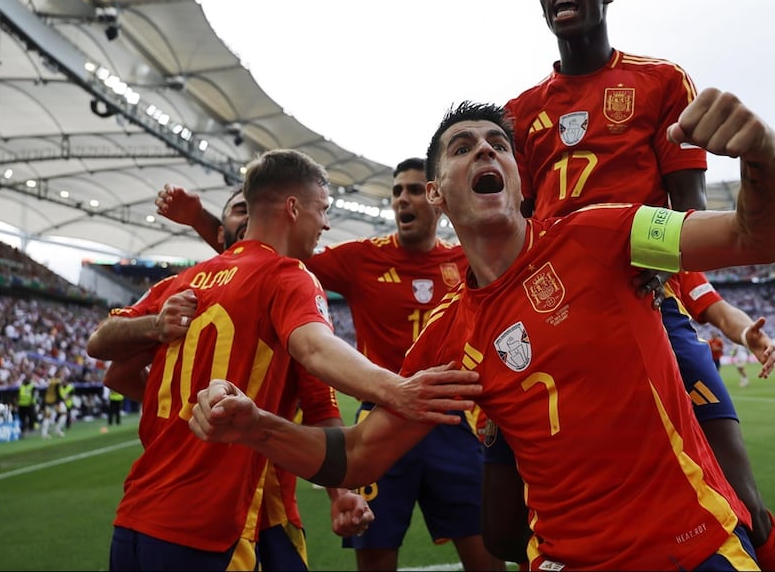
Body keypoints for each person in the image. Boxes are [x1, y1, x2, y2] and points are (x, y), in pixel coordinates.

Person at [189, 94, 775, 571]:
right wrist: (256, 427)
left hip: (692, 551)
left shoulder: (608, 233)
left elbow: (760, 236)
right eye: (462, 147)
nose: (484, 152)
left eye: (497, 145)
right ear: (436, 192)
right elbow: (359, 456)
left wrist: (763, 153)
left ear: (517, 174)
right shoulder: (446, 337)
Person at [499, 0, 775, 569]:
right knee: (524, 519)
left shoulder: (662, 81)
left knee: (742, 494)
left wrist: (670, 279)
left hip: (647, 302)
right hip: (552, 318)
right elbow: (516, 228)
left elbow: (691, 212)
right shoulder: (518, 113)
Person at [86, 148, 481, 571]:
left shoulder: (184, 282)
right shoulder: (287, 275)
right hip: (216, 521)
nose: (326, 222)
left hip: (138, 514)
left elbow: (112, 362)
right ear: (293, 208)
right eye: (322, 209)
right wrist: (396, 389)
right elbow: (313, 349)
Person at [97, 187, 375, 571]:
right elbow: (113, 365)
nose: (249, 219)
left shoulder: (273, 288)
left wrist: (339, 493)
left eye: (253, 209)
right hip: (205, 511)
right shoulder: (184, 288)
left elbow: (319, 405)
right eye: (239, 210)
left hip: (266, 508)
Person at [39, 369, 67, 439]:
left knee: (47, 417)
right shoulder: (57, 382)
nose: (62, 375)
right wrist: (62, 399)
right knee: (64, 413)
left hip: (48, 402)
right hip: (55, 402)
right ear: (57, 374)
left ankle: (44, 434)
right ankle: (57, 429)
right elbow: (57, 393)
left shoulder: (50, 381)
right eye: (61, 373)